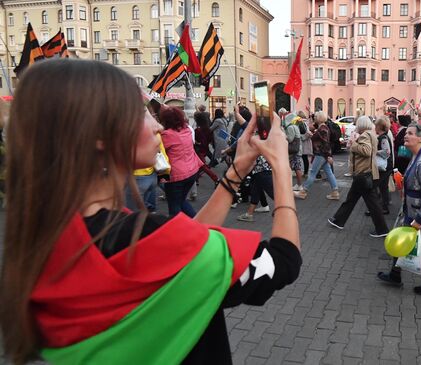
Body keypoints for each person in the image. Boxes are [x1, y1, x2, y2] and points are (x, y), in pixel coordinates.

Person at [0, 59, 301, 364]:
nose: (156, 124)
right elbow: (284, 260)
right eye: (142, 112)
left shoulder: (46, 236)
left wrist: (236, 170)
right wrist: (281, 167)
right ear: (98, 134)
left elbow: (182, 247)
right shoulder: (144, 239)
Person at [377, 123, 421, 295]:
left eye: (410, 133)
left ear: (420, 138)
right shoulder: (416, 155)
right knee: (399, 238)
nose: (405, 135)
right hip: (410, 208)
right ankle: (395, 274)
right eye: (406, 132)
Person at [328, 116, 389, 237]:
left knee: (369, 203)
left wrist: (353, 145)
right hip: (365, 173)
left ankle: (382, 229)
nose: (355, 126)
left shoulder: (365, 135)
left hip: (362, 173)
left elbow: (367, 151)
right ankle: (338, 220)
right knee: (355, 200)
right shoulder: (371, 134)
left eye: (357, 124)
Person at [160, 106, 204, 217]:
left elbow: (157, 149)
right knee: (181, 201)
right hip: (191, 172)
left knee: (174, 206)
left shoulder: (167, 135)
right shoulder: (186, 130)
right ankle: (197, 223)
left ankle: (183, 228)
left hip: (176, 176)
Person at [294, 111, 340, 200]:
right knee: (328, 172)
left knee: (313, 173)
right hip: (323, 154)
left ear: (319, 118)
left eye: (315, 117)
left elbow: (325, 143)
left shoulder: (322, 129)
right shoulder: (323, 128)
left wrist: (328, 156)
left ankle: (303, 191)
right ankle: (335, 191)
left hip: (320, 154)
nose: (314, 118)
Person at [237, 156, 274, 222]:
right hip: (260, 173)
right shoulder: (262, 148)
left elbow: (253, 163)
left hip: (261, 173)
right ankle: (249, 214)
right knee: (255, 193)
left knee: (274, 194)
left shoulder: (255, 148)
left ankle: (285, 212)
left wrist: (244, 173)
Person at [374, 116, 393, 214]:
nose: (374, 127)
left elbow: (387, 152)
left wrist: (375, 151)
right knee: (383, 187)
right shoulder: (384, 136)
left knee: (380, 186)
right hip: (387, 166)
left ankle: (382, 207)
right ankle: (384, 207)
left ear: (379, 126)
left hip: (385, 167)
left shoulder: (383, 138)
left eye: (376, 125)